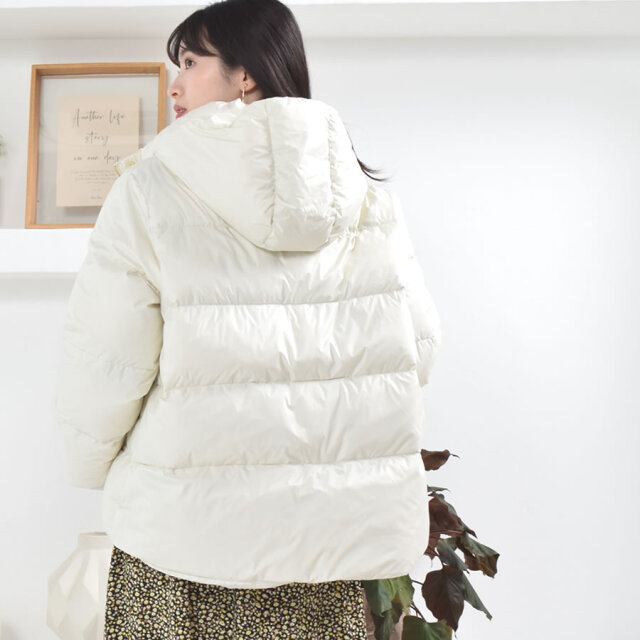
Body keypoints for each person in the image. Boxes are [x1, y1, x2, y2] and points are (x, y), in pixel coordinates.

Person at [54, 0, 442, 637]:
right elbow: (419, 351)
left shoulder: (148, 191)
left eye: (190, 62)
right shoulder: (369, 202)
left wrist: (88, 462)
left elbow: (106, 360)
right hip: (329, 548)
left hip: (180, 544)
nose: (174, 84)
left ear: (246, 75)